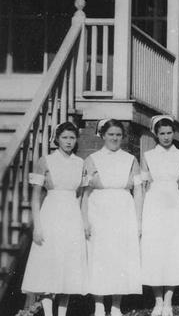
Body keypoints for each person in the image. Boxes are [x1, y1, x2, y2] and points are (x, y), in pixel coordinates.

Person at [21, 122, 87, 316]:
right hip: (51, 214)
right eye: (65, 137)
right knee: (50, 264)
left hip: (72, 216)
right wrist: (37, 227)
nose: (68, 141)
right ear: (57, 139)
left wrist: (82, 221)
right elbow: (34, 198)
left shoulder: (80, 163)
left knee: (68, 263)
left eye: (72, 138)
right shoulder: (46, 160)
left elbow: (81, 195)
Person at [82, 119, 143, 316]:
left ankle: (116, 305)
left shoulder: (131, 159)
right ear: (103, 135)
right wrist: (85, 220)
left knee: (120, 256)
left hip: (123, 211)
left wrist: (138, 220)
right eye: (111, 134)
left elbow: (139, 192)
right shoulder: (92, 159)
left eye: (118, 134)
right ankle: (99, 303)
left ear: (123, 137)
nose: (115, 138)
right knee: (99, 255)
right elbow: (84, 193)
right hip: (98, 210)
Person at [140, 115, 179, 316]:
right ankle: (157, 300)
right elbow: (144, 185)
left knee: (172, 250)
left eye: (169, 133)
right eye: (161, 133)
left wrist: (175, 199)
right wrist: (150, 204)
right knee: (155, 250)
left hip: (174, 206)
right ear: (155, 134)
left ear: (174, 133)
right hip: (153, 205)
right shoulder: (147, 156)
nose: (166, 137)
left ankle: (168, 301)